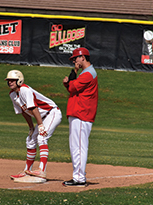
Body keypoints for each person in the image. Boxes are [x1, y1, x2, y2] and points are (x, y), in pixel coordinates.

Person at [5, 70, 62, 180]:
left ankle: (42, 170)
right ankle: (27, 170)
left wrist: (40, 126)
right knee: (30, 140)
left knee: (42, 137)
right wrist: (31, 127)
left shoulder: (25, 90)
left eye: (13, 80)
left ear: (19, 81)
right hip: (43, 117)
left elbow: (34, 108)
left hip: (52, 113)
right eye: (8, 80)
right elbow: (24, 112)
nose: (10, 82)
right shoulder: (13, 94)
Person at [62, 47, 98, 187]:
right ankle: (78, 176)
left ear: (82, 57)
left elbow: (72, 87)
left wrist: (74, 73)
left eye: (75, 58)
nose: (74, 61)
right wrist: (70, 81)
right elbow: (72, 88)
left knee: (79, 147)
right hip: (78, 113)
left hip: (82, 114)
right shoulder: (86, 73)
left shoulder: (88, 74)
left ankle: (79, 178)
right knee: (75, 146)